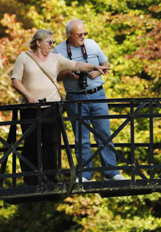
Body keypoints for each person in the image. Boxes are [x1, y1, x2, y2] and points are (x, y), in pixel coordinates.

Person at [11, 29, 109, 186]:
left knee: (52, 144)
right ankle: (31, 181)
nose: (52, 45)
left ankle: (51, 180)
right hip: (30, 108)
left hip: (52, 107)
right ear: (38, 42)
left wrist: (94, 67)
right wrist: (29, 96)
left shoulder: (56, 58)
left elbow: (76, 64)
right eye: (49, 42)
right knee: (31, 145)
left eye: (53, 42)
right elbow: (15, 80)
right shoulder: (24, 57)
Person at [54, 19, 126, 182]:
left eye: (85, 33)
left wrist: (99, 72)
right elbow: (52, 76)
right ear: (69, 34)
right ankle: (85, 175)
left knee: (105, 134)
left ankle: (112, 173)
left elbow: (106, 63)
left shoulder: (92, 44)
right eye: (79, 34)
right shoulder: (58, 51)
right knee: (82, 138)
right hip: (75, 98)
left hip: (97, 95)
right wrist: (67, 74)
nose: (83, 37)